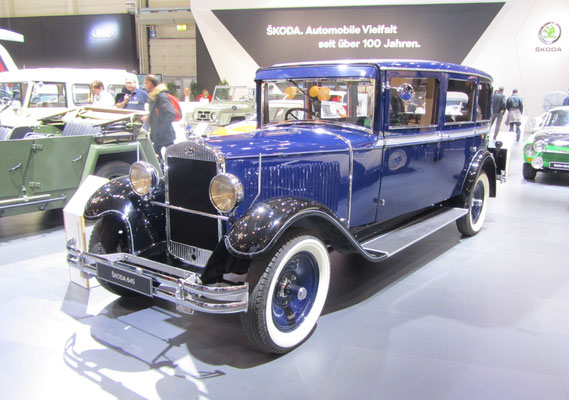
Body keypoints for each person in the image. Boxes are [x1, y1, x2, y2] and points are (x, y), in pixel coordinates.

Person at [143, 74, 175, 159]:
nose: (145, 86)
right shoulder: (155, 95)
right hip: (159, 133)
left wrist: (161, 129)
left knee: (166, 156)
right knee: (161, 155)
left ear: (150, 83)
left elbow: (170, 113)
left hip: (163, 134)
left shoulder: (161, 95)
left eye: (145, 83)